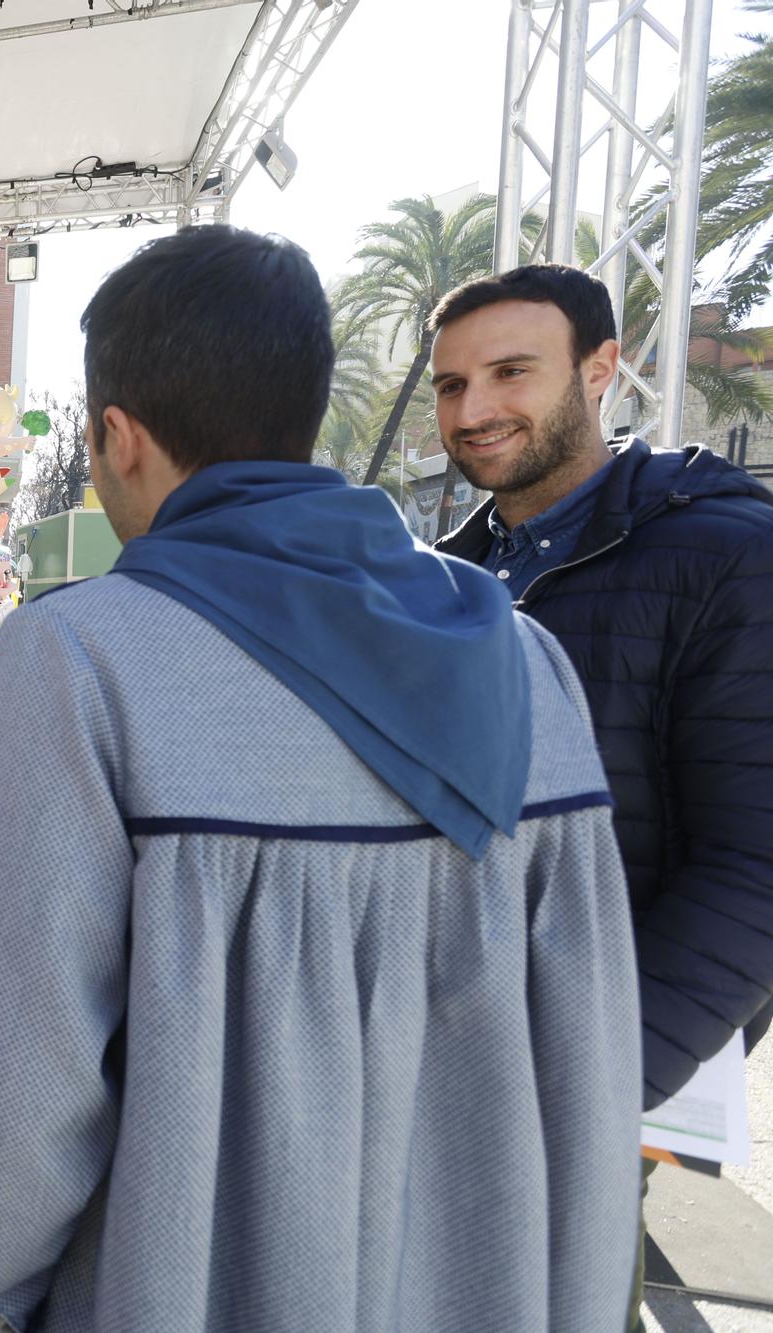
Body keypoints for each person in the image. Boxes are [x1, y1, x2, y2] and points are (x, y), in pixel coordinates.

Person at [0, 226, 641, 1332]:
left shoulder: (81, 658)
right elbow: (586, 1063)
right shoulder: (524, 660)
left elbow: (25, 1083)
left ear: (118, 435)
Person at [428, 263, 773, 1323]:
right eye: (448, 385)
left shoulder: (725, 556)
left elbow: (754, 864)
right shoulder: (446, 574)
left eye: (509, 372)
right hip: (452, 1042)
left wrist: (592, 1082)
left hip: (586, 1065)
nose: (473, 408)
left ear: (599, 369)